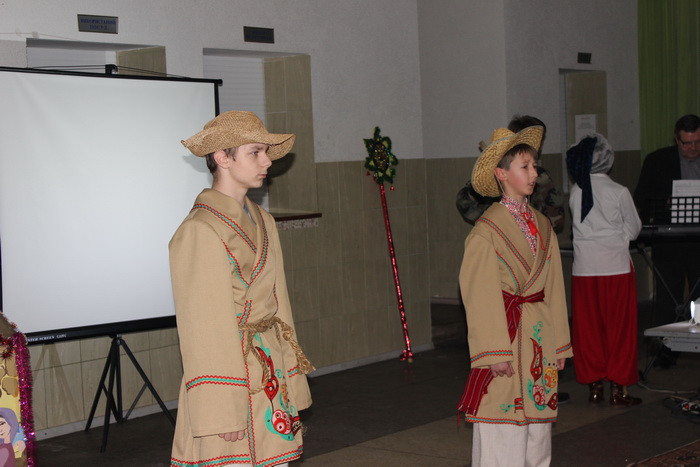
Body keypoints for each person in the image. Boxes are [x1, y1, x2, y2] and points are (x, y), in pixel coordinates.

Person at [169, 111, 314, 467]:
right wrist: (222, 409)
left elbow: (280, 305)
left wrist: (291, 375)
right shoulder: (199, 230)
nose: (267, 162)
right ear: (222, 158)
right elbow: (203, 330)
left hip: (269, 367)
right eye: (255, 152)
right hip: (230, 379)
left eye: (266, 152)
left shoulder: (262, 219)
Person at [456, 126, 573, 466]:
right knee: (502, 429)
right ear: (501, 173)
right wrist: (493, 352)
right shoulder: (485, 232)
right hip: (506, 341)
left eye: (535, 166)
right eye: (525, 166)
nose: (534, 173)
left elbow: (554, 287)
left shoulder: (543, 224)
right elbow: (479, 297)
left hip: (537, 338)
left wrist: (560, 343)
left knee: (538, 434)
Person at [567, 134, 642, 408]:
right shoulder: (619, 191)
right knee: (619, 329)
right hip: (615, 269)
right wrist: (618, 236)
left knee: (588, 329)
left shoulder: (576, 192)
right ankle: (618, 388)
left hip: (584, 270)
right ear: (608, 160)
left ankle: (594, 385)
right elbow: (634, 229)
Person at [634, 114, 700, 367]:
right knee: (667, 297)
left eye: (697, 142)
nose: (692, 148)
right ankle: (665, 350)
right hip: (670, 240)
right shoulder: (657, 160)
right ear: (676, 139)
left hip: (698, 241)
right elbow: (641, 196)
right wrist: (665, 203)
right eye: (686, 143)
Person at [457, 115, 566, 234]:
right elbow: (464, 201)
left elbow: (556, 220)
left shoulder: (538, 176)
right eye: (524, 166)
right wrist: (496, 222)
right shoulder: (490, 177)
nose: (533, 174)